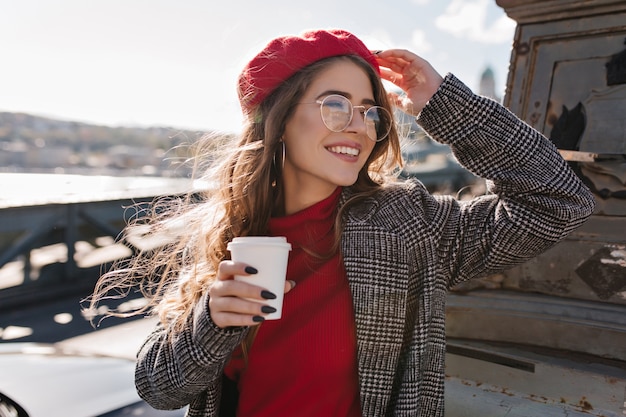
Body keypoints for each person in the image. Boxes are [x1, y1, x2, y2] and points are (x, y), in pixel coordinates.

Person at [88, 29, 595, 417]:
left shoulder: (406, 226)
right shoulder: (229, 238)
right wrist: (211, 324)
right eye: (334, 105)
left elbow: (558, 199)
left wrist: (445, 104)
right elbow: (158, 388)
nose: (359, 124)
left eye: (371, 111)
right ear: (280, 118)